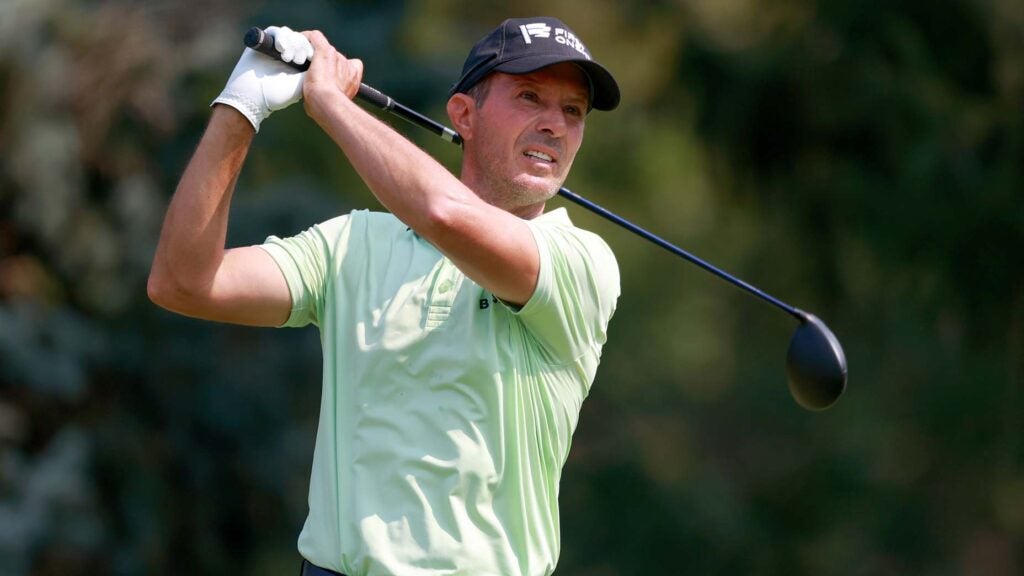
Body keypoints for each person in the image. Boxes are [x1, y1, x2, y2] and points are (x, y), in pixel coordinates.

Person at [148, 16, 621, 576]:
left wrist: (332, 105)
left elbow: (446, 214)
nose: (554, 125)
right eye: (529, 96)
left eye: (573, 111)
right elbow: (183, 281)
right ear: (463, 115)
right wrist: (240, 107)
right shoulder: (353, 244)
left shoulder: (582, 262)